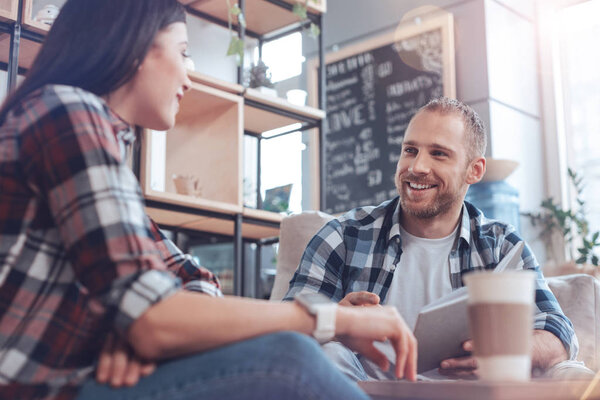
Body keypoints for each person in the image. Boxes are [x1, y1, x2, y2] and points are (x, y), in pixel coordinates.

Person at [0, 1, 419, 399]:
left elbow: (190, 277)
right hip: (32, 387)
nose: (188, 76)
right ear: (135, 47)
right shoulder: (68, 115)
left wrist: (140, 330)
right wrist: (334, 319)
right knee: (288, 361)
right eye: (182, 53)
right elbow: (151, 316)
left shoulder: (95, 134)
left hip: (73, 380)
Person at [284, 97, 589, 381]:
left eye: (439, 154)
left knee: (570, 371)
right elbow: (284, 334)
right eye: (410, 150)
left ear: (474, 170)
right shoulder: (343, 236)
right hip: (360, 391)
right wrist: (337, 323)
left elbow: (559, 333)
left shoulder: (501, 246)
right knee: (330, 352)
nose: (417, 167)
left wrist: (507, 351)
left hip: (465, 396)